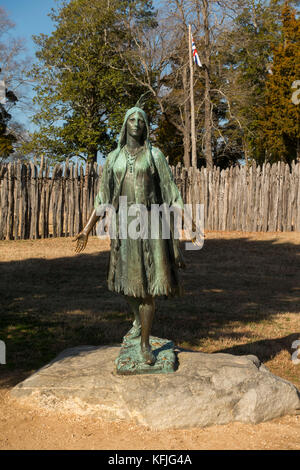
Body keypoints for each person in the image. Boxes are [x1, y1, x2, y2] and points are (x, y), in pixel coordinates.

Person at [74, 103, 185, 365]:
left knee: (146, 288)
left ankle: (145, 344)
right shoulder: (113, 158)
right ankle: (137, 321)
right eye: (131, 119)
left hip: (150, 224)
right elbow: (103, 196)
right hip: (124, 226)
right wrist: (87, 229)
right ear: (125, 125)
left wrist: (186, 224)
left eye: (141, 119)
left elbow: (171, 191)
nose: (136, 123)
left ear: (146, 126)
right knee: (125, 283)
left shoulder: (154, 155)